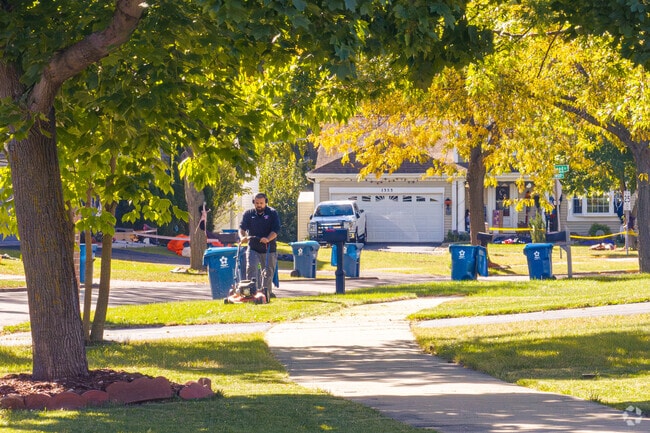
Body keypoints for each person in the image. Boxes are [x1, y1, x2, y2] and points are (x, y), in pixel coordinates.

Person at [239, 192, 281, 299]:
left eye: (261, 203)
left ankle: (266, 294)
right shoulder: (248, 214)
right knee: (251, 268)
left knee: (267, 272)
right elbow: (242, 229)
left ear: (265, 202)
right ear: (253, 203)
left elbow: (275, 231)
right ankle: (251, 292)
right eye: (257, 203)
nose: (259, 205)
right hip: (253, 247)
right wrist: (242, 237)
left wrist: (267, 239)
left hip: (269, 248)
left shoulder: (272, 213)